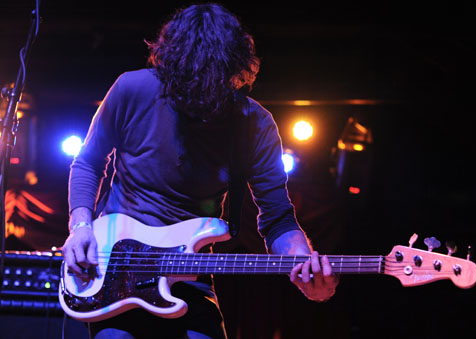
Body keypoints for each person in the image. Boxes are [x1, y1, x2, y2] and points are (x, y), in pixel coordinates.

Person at [61, 3, 338, 339]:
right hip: (118, 268)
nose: (203, 100)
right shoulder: (132, 89)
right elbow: (89, 162)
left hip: (190, 278)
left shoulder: (254, 123)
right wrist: (80, 226)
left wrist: (305, 268)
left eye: (217, 86)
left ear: (236, 73)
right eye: (190, 87)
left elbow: (278, 218)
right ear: (170, 69)